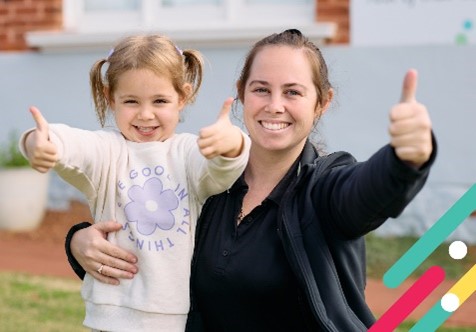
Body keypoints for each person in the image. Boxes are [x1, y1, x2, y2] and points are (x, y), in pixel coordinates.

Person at [64, 29, 436, 331]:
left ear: (321, 102)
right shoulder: (206, 179)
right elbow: (151, 239)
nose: (275, 105)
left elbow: (366, 194)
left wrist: (406, 158)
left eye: (293, 92)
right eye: (261, 89)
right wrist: (79, 241)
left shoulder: (325, 187)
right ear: (241, 94)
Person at [20, 34, 250, 332]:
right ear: (109, 97)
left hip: (177, 319)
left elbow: (221, 169)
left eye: (160, 101)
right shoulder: (107, 152)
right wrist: (38, 142)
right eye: (131, 101)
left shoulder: (188, 152)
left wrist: (232, 143)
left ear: (183, 97)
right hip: (112, 319)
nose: (145, 114)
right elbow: (65, 141)